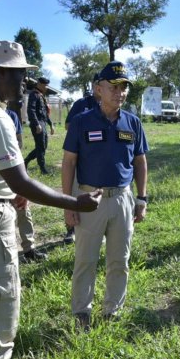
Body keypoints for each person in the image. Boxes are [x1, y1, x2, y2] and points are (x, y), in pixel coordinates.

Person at [0, 40, 101, 359]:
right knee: (4, 289)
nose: (24, 84)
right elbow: (20, 180)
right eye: (20, 76)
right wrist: (74, 202)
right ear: (1, 73)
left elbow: (3, 174)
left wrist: (11, 189)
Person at [62, 61, 148, 330]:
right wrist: (68, 203)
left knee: (119, 260)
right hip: (89, 199)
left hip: (123, 198)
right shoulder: (81, 122)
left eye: (124, 88)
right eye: (113, 87)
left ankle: (112, 310)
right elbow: (68, 163)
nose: (119, 93)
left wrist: (141, 198)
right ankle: (81, 312)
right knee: (85, 259)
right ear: (99, 89)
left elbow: (140, 162)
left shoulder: (132, 122)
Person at [63, 74, 102, 244]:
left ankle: (101, 228)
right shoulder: (82, 104)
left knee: (100, 193)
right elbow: (67, 124)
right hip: (79, 156)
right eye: (97, 84)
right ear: (94, 86)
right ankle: (70, 230)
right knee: (73, 191)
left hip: (99, 159)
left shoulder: (109, 105)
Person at [6, 105, 47, 262]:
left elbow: (18, 142)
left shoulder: (11, 115)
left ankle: (29, 249)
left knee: (23, 207)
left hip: (12, 166)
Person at [24, 76, 55, 174]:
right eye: (45, 85)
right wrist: (36, 124)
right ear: (40, 84)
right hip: (37, 124)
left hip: (43, 123)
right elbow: (31, 110)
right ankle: (43, 168)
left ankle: (25, 161)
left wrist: (51, 125)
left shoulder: (41, 95)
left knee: (42, 146)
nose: (46, 87)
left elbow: (45, 113)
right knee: (41, 146)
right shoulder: (34, 94)